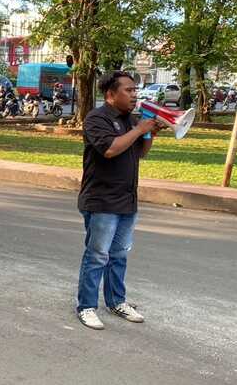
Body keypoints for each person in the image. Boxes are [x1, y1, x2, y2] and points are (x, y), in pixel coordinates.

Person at [75, 71, 162, 330]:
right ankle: (87, 306)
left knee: (119, 255)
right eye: (129, 90)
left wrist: (150, 133)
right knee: (97, 255)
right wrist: (139, 129)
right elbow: (110, 150)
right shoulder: (96, 118)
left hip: (127, 200)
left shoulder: (131, 120)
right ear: (111, 94)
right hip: (101, 201)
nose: (135, 94)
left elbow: (141, 154)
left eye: (136, 90)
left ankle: (116, 301)